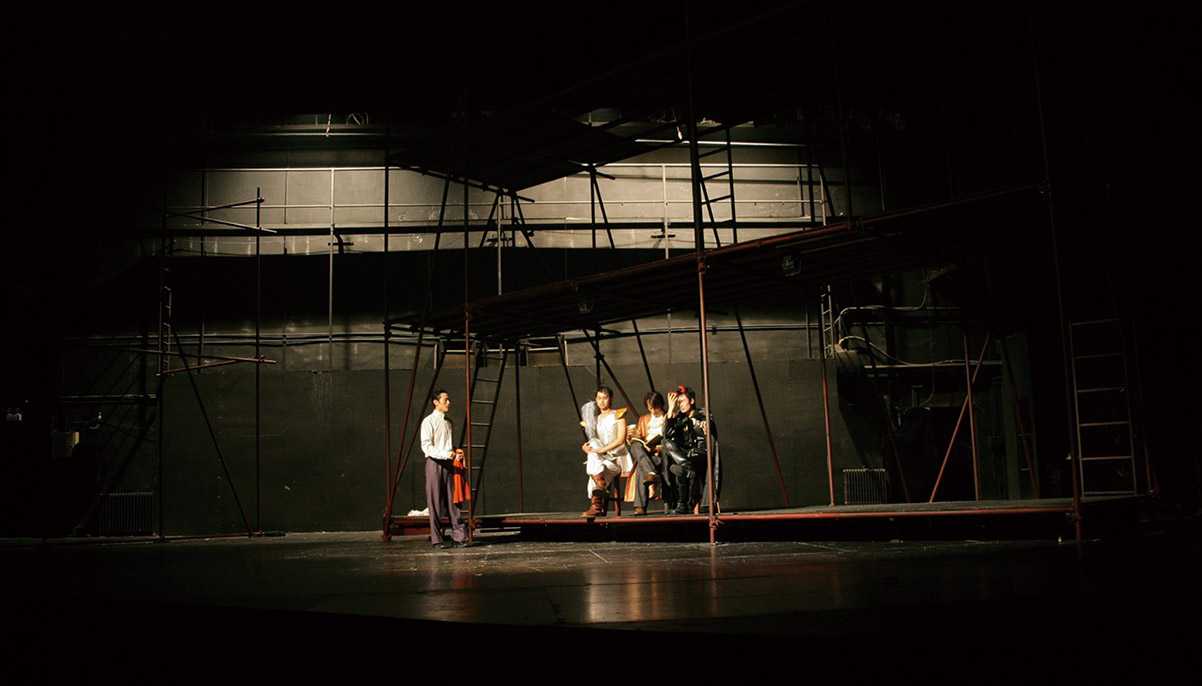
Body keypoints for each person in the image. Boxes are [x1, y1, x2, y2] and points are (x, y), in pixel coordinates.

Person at [420, 389, 471, 548]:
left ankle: (459, 537)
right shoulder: (428, 421)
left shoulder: (448, 422)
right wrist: (446, 454)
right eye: (445, 400)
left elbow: (446, 445)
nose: (449, 402)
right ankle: (437, 540)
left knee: (453, 501)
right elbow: (427, 447)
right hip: (434, 464)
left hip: (448, 464)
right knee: (435, 502)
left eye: (448, 400)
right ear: (436, 402)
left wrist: (455, 451)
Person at [662, 384, 719, 515]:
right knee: (666, 445)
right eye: (678, 402)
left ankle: (683, 502)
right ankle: (683, 504)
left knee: (679, 468)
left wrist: (705, 425)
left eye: (682, 401)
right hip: (686, 456)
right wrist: (670, 410)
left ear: (692, 401)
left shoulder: (702, 413)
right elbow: (667, 435)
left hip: (700, 454)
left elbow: (708, 424)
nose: (680, 405)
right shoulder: (679, 418)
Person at [580, 386, 631, 518]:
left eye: (605, 398)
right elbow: (594, 444)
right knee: (593, 444)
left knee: (595, 469)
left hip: (615, 458)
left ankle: (596, 503)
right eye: (599, 398)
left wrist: (603, 449)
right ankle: (600, 488)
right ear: (596, 400)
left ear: (611, 398)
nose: (602, 401)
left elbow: (621, 440)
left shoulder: (618, 415)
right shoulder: (595, 419)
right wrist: (585, 448)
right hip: (601, 460)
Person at [628, 390, 669, 515]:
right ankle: (650, 471)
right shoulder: (643, 419)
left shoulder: (668, 418)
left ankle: (640, 506)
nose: (652, 411)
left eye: (655, 408)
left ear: (660, 405)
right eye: (650, 408)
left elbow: (671, 443)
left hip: (660, 456)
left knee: (641, 467)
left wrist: (656, 448)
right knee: (635, 445)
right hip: (646, 454)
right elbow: (639, 438)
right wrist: (632, 437)